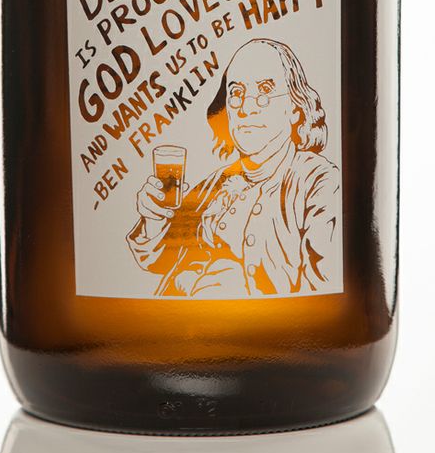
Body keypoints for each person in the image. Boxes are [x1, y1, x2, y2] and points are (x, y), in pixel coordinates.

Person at [126, 37, 341, 297]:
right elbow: (157, 261)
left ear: (295, 108)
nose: (246, 108)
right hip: (177, 319)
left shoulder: (318, 180)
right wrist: (154, 217)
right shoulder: (214, 183)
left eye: (264, 92)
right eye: (237, 94)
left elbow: (322, 287)